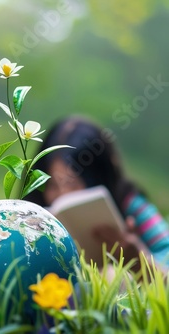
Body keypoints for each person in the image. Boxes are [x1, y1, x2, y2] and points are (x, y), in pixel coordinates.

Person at [26, 116, 169, 270]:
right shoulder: (31, 211)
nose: (63, 195)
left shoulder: (129, 204)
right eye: (53, 185)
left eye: (73, 184)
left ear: (98, 177)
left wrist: (136, 257)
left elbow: (165, 252)